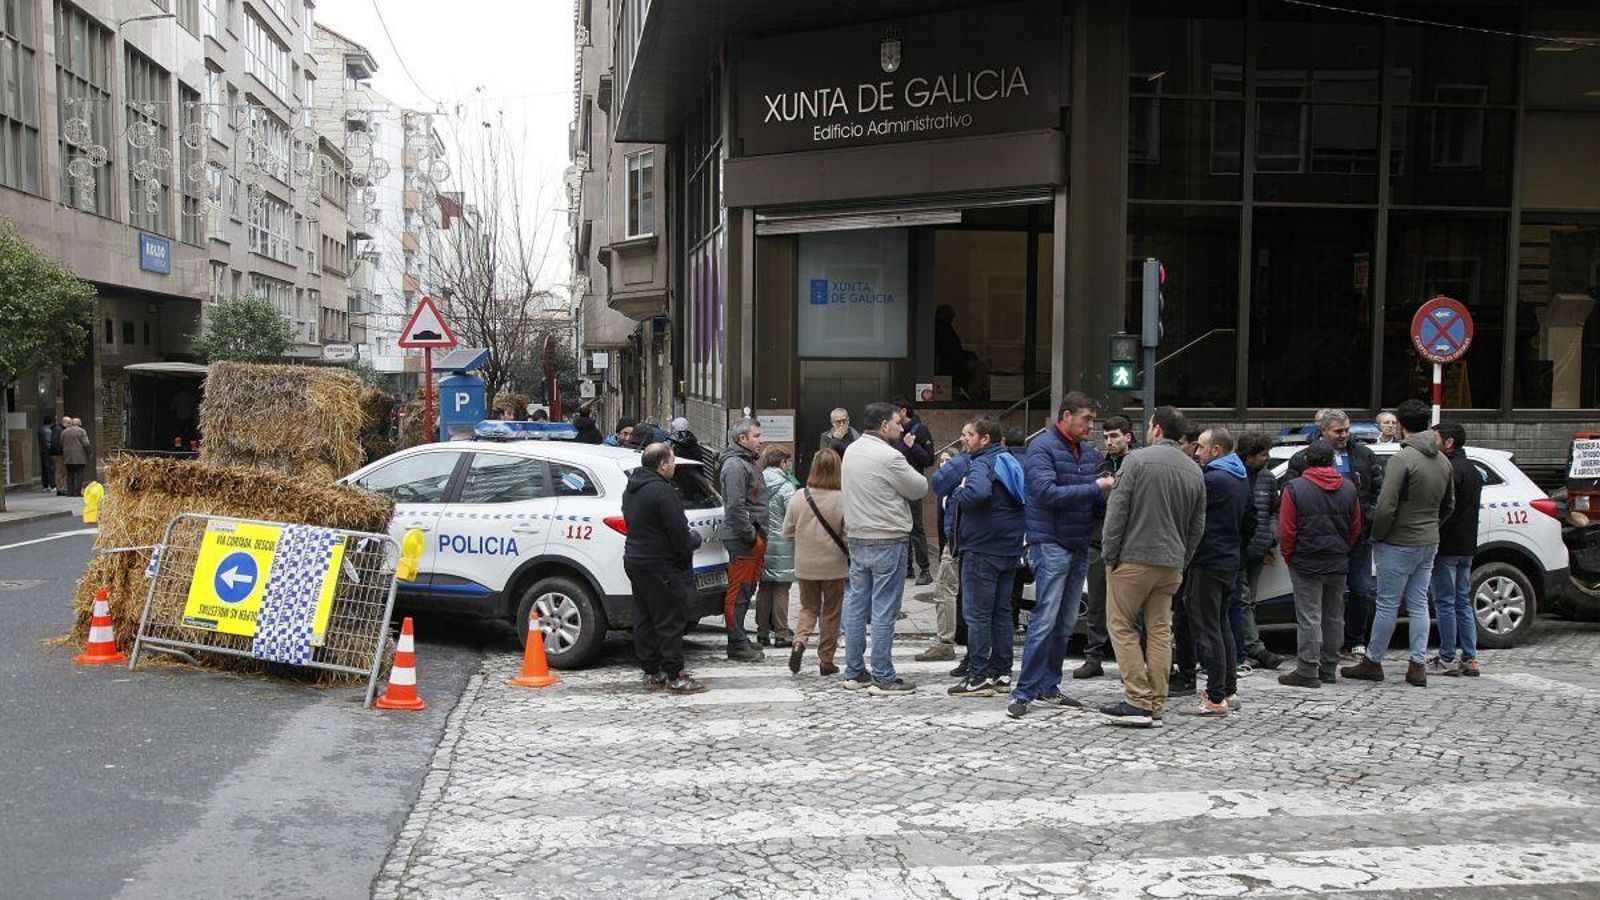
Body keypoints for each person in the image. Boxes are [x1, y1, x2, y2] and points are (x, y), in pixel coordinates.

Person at [1099, 406, 1206, 728]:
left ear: (1156, 429)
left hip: (1133, 558)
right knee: (1160, 631)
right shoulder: (1194, 470)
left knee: (1121, 626)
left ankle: (1137, 700)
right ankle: (1156, 702)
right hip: (1171, 562)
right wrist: (1182, 559)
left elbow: (1117, 513)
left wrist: (1109, 555)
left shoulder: (1136, 461)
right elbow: (1197, 525)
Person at [1008, 394, 1113, 717]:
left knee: (1065, 622)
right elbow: (1047, 493)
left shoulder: (1088, 452)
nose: (1091, 426)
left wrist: (1109, 496)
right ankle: (1025, 691)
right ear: (1066, 416)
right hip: (1051, 543)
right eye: (1086, 419)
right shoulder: (1042, 448)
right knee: (1045, 619)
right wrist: (1097, 488)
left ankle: (1049, 686)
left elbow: (1093, 501)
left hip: (1079, 543)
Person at [1341, 398, 1454, 688]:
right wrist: (1432, 526)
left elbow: (1386, 506)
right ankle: (1417, 664)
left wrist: (1378, 534)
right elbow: (1449, 504)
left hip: (1398, 540)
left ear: (1401, 425)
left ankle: (1373, 660)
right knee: (1418, 603)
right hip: (1428, 539)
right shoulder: (1443, 460)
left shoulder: (1402, 459)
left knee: (1387, 604)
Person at [839, 401, 929, 695]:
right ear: (884, 425)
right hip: (887, 537)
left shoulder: (852, 450)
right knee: (883, 610)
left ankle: (854, 671)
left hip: (858, 536)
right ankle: (883, 675)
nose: (901, 428)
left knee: (856, 606)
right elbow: (919, 487)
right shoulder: (890, 456)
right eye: (897, 423)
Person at [1287, 409, 1384, 659]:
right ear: (1323, 431)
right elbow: (1290, 495)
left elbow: (1379, 490)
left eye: (1347, 430)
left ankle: (1355, 640)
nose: (1344, 435)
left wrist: (1367, 516)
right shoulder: (1302, 458)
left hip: (1357, 536)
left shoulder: (1363, 454)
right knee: (1322, 601)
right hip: (1319, 538)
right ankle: (1320, 651)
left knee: (1361, 590)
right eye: (1338, 431)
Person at [947, 416, 1028, 698]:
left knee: (978, 614)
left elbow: (978, 493)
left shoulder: (982, 462)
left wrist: (958, 493)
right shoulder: (1008, 459)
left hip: (982, 547)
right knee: (1002, 613)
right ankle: (1002, 674)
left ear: (985, 439)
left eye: (969, 435)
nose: (964, 439)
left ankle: (978, 676)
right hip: (1009, 547)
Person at [621, 443, 707, 694]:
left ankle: (651, 671)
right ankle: (675, 674)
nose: (674, 465)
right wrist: (688, 548)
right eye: (672, 461)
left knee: (645, 616)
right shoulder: (664, 492)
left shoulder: (631, 489)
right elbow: (677, 532)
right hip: (660, 562)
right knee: (669, 618)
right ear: (662, 464)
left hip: (635, 559)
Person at [1276, 441, 1362, 689]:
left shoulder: (1295, 487)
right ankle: (1329, 667)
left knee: (1309, 616)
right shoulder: (1349, 487)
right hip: (1337, 558)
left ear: (1306, 461)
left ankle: (1307, 668)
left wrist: (1289, 555)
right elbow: (1355, 526)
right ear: (1332, 460)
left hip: (1306, 559)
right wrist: (1344, 548)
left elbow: (1286, 529)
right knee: (1334, 616)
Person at [1183, 427, 1253, 718]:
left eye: (1201, 447)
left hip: (1208, 560)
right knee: (1221, 625)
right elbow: (1250, 521)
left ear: (1216, 450)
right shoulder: (1240, 477)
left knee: (1208, 627)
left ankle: (1214, 697)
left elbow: (1190, 516)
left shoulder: (1212, 479)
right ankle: (1228, 690)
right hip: (1229, 559)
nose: (1197, 452)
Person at [1074, 415, 1135, 679]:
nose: (1109, 441)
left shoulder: (1136, 463)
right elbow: (1087, 497)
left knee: (1128, 607)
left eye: (1114, 436)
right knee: (1097, 603)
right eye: (1107, 436)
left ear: (1127, 437)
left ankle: (1129, 662)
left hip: (1128, 543)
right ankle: (1094, 656)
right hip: (1098, 539)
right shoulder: (1099, 465)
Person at [783, 448, 849, 676]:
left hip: (805, 565)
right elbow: (848, 535)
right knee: (831, 612)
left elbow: (787, 532)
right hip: (834, 566)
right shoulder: (842, 499)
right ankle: (826, 660)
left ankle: (799, 642)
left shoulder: (799, 496)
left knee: (808, 608)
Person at [1428, 422, 1482, 678]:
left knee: (1445, 602)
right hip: (1467, 544)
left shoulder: (1448, 469)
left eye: (1435, 438)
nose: (1432, 442)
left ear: (1448, 442)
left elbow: (1442, 506)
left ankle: (1448, 656)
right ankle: (1470, 658)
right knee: (1462, 601)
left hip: (1447, 544)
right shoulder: (1473, 469)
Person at [1233, 431, 1286, 671]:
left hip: (1258, 547)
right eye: (1263, 454)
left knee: (1250, 600)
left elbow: (1274, 510)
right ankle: (1254, 647)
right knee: (1242, 599)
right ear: (1249, 455)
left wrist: (1271, 535)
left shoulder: (1267, 478)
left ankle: (1248, 645)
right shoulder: (1235, 475)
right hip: (1237, 547)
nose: (1267, 459)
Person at [716, 419, 768, 661]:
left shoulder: (746, 462)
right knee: (739, 591)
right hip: (743, 538)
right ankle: (736, 642)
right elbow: (735, 506)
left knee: (746, 589)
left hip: (751, 536)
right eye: (756, 436)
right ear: (742, 439)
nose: (761, 440)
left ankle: (739, 637)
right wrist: (750, 535)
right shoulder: (735, 465)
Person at [919, 448, 968, 665]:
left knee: (945, 588)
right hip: (955, 540)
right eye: (942, 461)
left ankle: (946, 642)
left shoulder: (963, 476)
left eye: (950, 461)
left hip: (959, 541)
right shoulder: (947, 491)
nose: (945, 465)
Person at [755, 446, 799, 647]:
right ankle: (781, 631)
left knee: (764, 587)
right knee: (781, 588)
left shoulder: (758, 481)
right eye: (788, 462)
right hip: (783, 544)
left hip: (762, 540)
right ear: (782, 462)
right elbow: (793, 516)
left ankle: (762, 631)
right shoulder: (787, 487)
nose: (789, 466)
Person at [891, 397, 936, 585]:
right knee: (901, 528)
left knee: (916, 528)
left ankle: (925, 570)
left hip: (912, 485)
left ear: (903, 411)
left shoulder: (921, 430)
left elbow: (929, 460)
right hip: (896, 486)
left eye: (894, 411)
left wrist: (913, 446)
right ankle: (906, 568)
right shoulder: (895, 431)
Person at [61, 417, 91, 497]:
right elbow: (86, 443)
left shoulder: (64, 432)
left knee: (70, 474)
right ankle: (76, 492)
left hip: (67, 456)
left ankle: (70, 492)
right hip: (79, 456)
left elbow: (61, 442)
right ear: (79, 423)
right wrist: (88, 453)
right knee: (79, 474)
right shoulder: (81, 431)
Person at [36, 416, 56, 493]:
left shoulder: (40, 430)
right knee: (50, 468)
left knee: (44, 469)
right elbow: (49, 443)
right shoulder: (48, 431)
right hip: (48, 452)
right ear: (51, 423)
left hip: (42, 451)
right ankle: (52, 485)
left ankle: (45, 485)